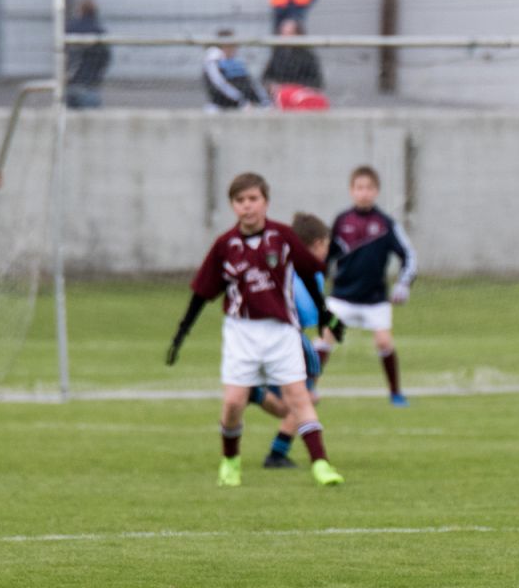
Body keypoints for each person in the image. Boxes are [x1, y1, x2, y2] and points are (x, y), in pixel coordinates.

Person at [165, 172, 347, 488]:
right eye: (240, 201)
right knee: (234, 402)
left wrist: (324, 314)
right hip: (241, 332)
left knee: (299, 398)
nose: (247, 207)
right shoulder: (225, 245)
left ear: (265, 202)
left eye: (253, 199)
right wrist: (182, 332)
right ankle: (230, 462)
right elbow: (202, 293)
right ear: (233, 206)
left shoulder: (283, 237)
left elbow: (308, 274)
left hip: (281, 331)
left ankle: (321, 464)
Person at [324, 165, 418, 406]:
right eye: (359, 188)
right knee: (325, 338)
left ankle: (395, 392)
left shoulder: (386, 223)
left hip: (375, 299)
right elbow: (326, 255)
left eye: (369, 188)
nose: (364, 192)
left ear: (376, 191)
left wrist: (403, 283)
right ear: (351, 190)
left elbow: (408, 255)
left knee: (384, 342)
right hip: (342, 297)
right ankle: (307, 388)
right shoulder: (341, 221)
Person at [252, 212, 332, 469]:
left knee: (296, 402)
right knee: (303, 399)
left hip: (256, 338)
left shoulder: (276, 266)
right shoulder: (310, 272)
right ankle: (277, 451)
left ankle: (278, 451)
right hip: (289, 340)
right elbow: (308, 316)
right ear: (319, 244)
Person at [202, 30, 270, 111]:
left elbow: (251, 83)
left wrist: (264, 102)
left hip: (245, 104)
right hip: (222, 106)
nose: (235, 47)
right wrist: (241, 101)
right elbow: (220, 85)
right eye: (231, 44)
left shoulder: (237, 62)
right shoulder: (213, 62)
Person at [65, 0, 111, 109]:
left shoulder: (70, 29)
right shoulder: (99, 32)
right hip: (90, 84)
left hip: (71, 82)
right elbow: (105, 58)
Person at [262, 18, 324, 92]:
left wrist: (298, 88)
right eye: (283, 34)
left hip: (300, 95)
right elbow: (266, 77)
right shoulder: (278, 55)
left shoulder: (307, 56)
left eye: (289, 33)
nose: (285, 37)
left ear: (297, 34)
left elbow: (316, 82)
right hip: (280, 95)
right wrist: (272, 85)